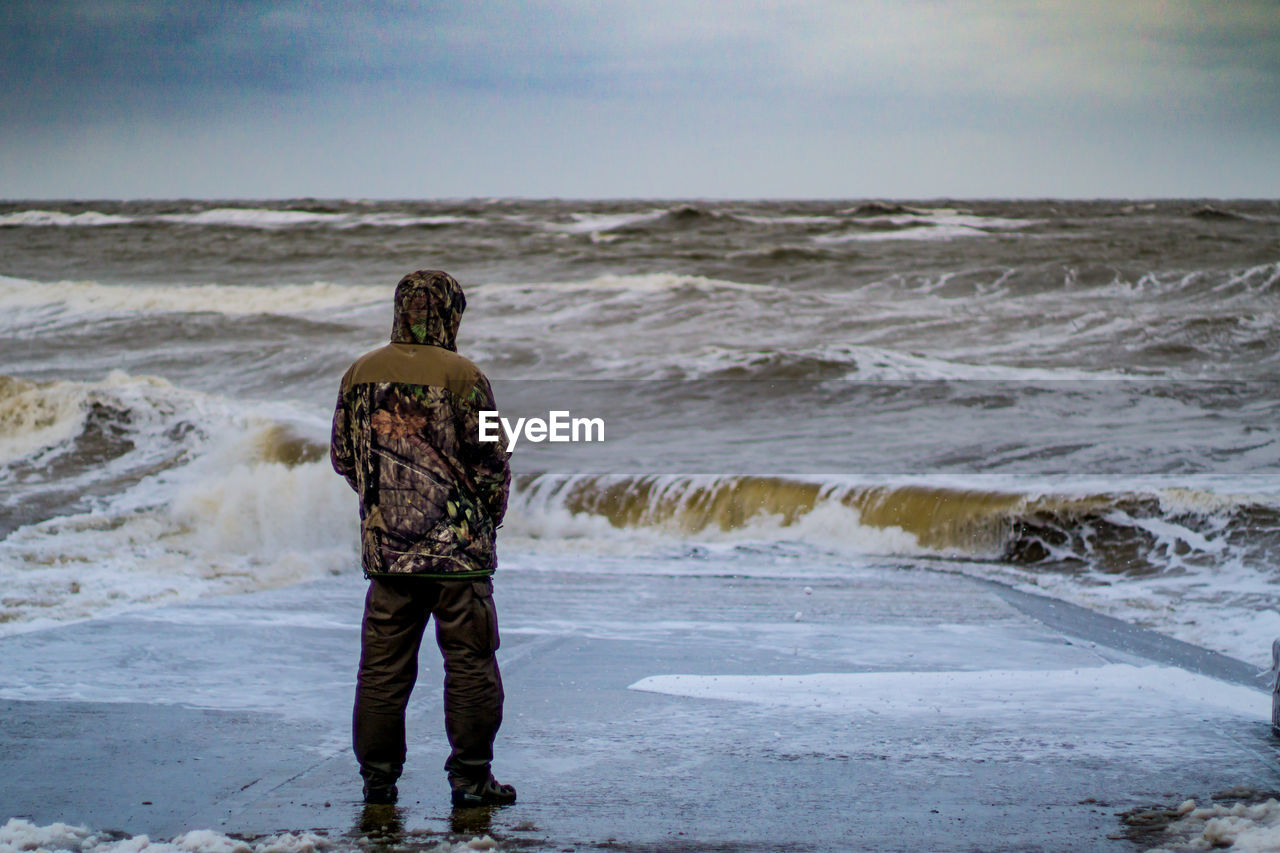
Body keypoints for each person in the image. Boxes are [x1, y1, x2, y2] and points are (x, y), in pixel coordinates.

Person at [330, 269, 515, 807]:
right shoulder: (464, 375)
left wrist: (383, 502)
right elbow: (489, 463)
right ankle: (471, 780)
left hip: (388, 557)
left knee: (382, 672)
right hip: (459, 560)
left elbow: (344, 457)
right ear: (449, 312)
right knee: (470, 664)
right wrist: (488, 519)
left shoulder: (358, 373)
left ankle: (379, 784)